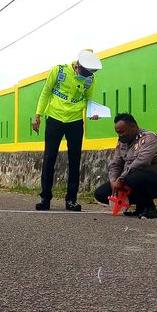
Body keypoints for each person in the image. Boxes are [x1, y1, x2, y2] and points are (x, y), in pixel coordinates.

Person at [33, 49, 102, 211]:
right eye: (85, 73)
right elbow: (45, 93)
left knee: (75, 160)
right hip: (54, 118)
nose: (86, 76)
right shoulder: (59, 71)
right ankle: (45, 198)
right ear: (77, 66)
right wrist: (38, 115)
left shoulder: (90, 80)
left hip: (75, 121)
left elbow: (88, 100)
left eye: (89, 74)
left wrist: (93, 112)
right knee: (49, 158)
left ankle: (71, 200)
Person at [94, 113, 157, 219]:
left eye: (122, 132)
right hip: (131, 178)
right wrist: (113, 181)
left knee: (135, 176)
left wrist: (121, 178)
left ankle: (150, 208)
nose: (120, 135)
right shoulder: (122, 142)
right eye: (118, 133)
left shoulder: (149, 138)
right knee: (101, 194)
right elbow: (116, 164)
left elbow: (141, 162)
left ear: (133, 127)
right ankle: (139, 207)